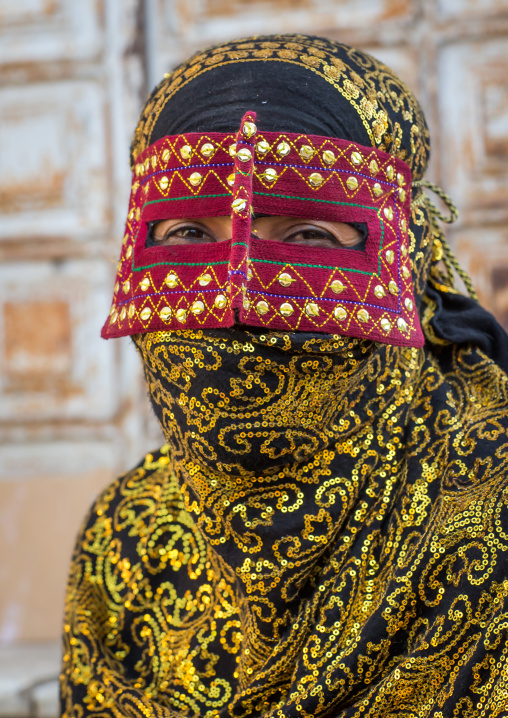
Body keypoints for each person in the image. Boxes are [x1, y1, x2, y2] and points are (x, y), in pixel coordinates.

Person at [60, 34, 508, 718]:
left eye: (306, 237)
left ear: (405, 254)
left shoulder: (492, 508)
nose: (236, 303)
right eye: (187, 234)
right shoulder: (127, 533)